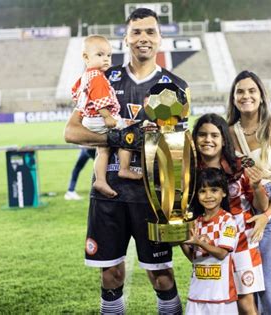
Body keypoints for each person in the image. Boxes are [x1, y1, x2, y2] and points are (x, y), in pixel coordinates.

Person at [64, 8, 187, 314]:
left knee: (161, 277)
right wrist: (119, 139)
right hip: (108, 195)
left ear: (159, 38)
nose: (143, 38)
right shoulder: (104, 78)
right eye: (136, 32)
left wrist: (177, 211)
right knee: (110, 275)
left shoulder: (174, 86)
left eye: (150, 32)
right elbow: (72, 131)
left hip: (151, 197)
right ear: (126, 38)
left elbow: (174, 153)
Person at [227, 70, 271, 315]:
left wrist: (266, 216)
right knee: (245, 284)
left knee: (269, 282)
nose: (246, 96)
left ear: (261, 96)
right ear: (233, 98)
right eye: (240, 91)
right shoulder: (227, 132)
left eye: (251, 91)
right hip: (238, 212)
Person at [192, 113, 269, 315]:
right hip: (209, 242)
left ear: (223, 139)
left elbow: (261, 206)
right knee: (215, 301)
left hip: (242, 241)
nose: (208, 140)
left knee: (245, 303)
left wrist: (257, 186)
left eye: (214, 135)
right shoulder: (189, 169)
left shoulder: (241, 165)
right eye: (202, 135)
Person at [72, 34, 141, 199]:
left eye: (109, 55)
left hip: (89, 119)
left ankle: (100, 180)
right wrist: (108, 117)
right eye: (100, 55)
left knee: (103, 150)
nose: (106, 59)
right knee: (129, 132)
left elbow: (75, 92)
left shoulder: (85, 76)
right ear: (85, 57)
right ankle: (124, 169)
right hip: (99, 117)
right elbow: (100, 100)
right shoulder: (97, 77)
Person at [181, 167, 238, 315]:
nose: (208, 196)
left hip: (221, 295)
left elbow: (221, 253)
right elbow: (193, 259)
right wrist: (180, 238)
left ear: (224, 192)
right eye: (202, 191)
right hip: (197, 293)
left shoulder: (228, 220)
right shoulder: (196, 222)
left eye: (214, 190)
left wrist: (199, 243)